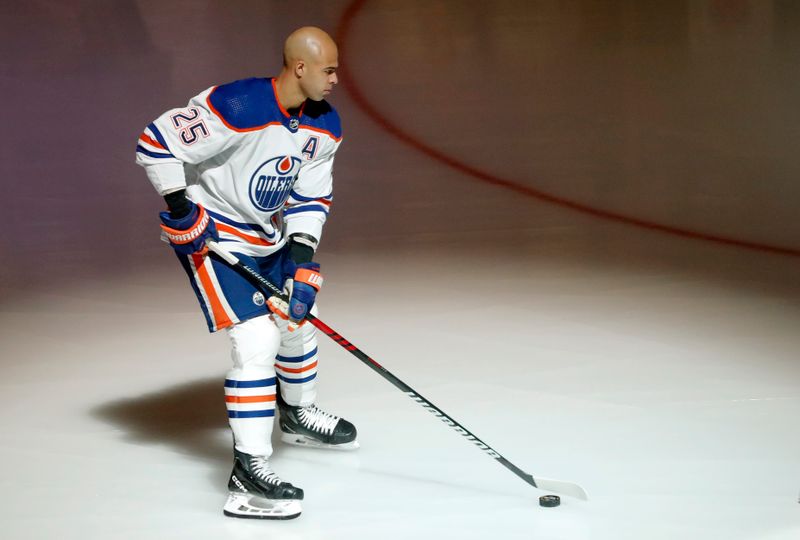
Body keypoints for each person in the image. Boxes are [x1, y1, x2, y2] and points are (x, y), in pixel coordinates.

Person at [135, 26, 356, 520]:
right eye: (329, 69)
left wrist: (301, 262)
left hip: (266, 235)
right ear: (300, 67)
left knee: (302, 315)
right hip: (213, 238)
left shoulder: (326, 124)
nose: (337, 79)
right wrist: (181, 208)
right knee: (257, 340)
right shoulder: (236, 106)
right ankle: (247, 472)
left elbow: (311, 197)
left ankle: (296, 414)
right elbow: (155, 143)